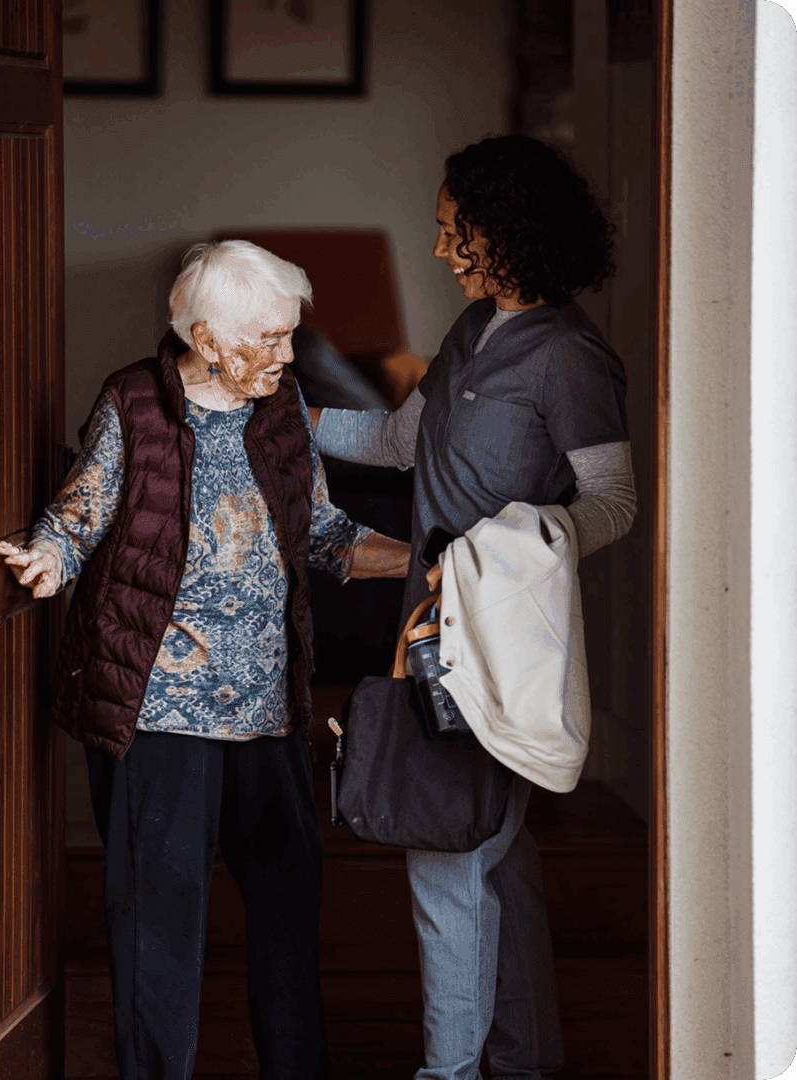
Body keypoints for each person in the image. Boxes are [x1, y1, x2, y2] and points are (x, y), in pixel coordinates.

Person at [0, 240, 411, 1080]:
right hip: (157, 711)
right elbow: (81, 514)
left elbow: (322, 532)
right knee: (159, 923)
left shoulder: (281, 402)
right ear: (207, 335)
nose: (289, 355)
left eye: (292, 335)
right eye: (271, 337)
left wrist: (433, 555)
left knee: (290, 911)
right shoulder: (135, 402)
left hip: (268, 708)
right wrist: (47, 556)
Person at [312, 135, 637, 1080]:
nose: (441, 250)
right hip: (429, 628)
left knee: (447, 858)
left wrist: (504, 550)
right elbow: (399, 444)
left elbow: (610, 505)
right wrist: (275, 412)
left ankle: (446, 1073)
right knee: (492, 859)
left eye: (460, 232)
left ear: (517, 234)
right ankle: (520, 1063)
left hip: (496, 636)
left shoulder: (571, 356)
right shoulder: (470, 329)